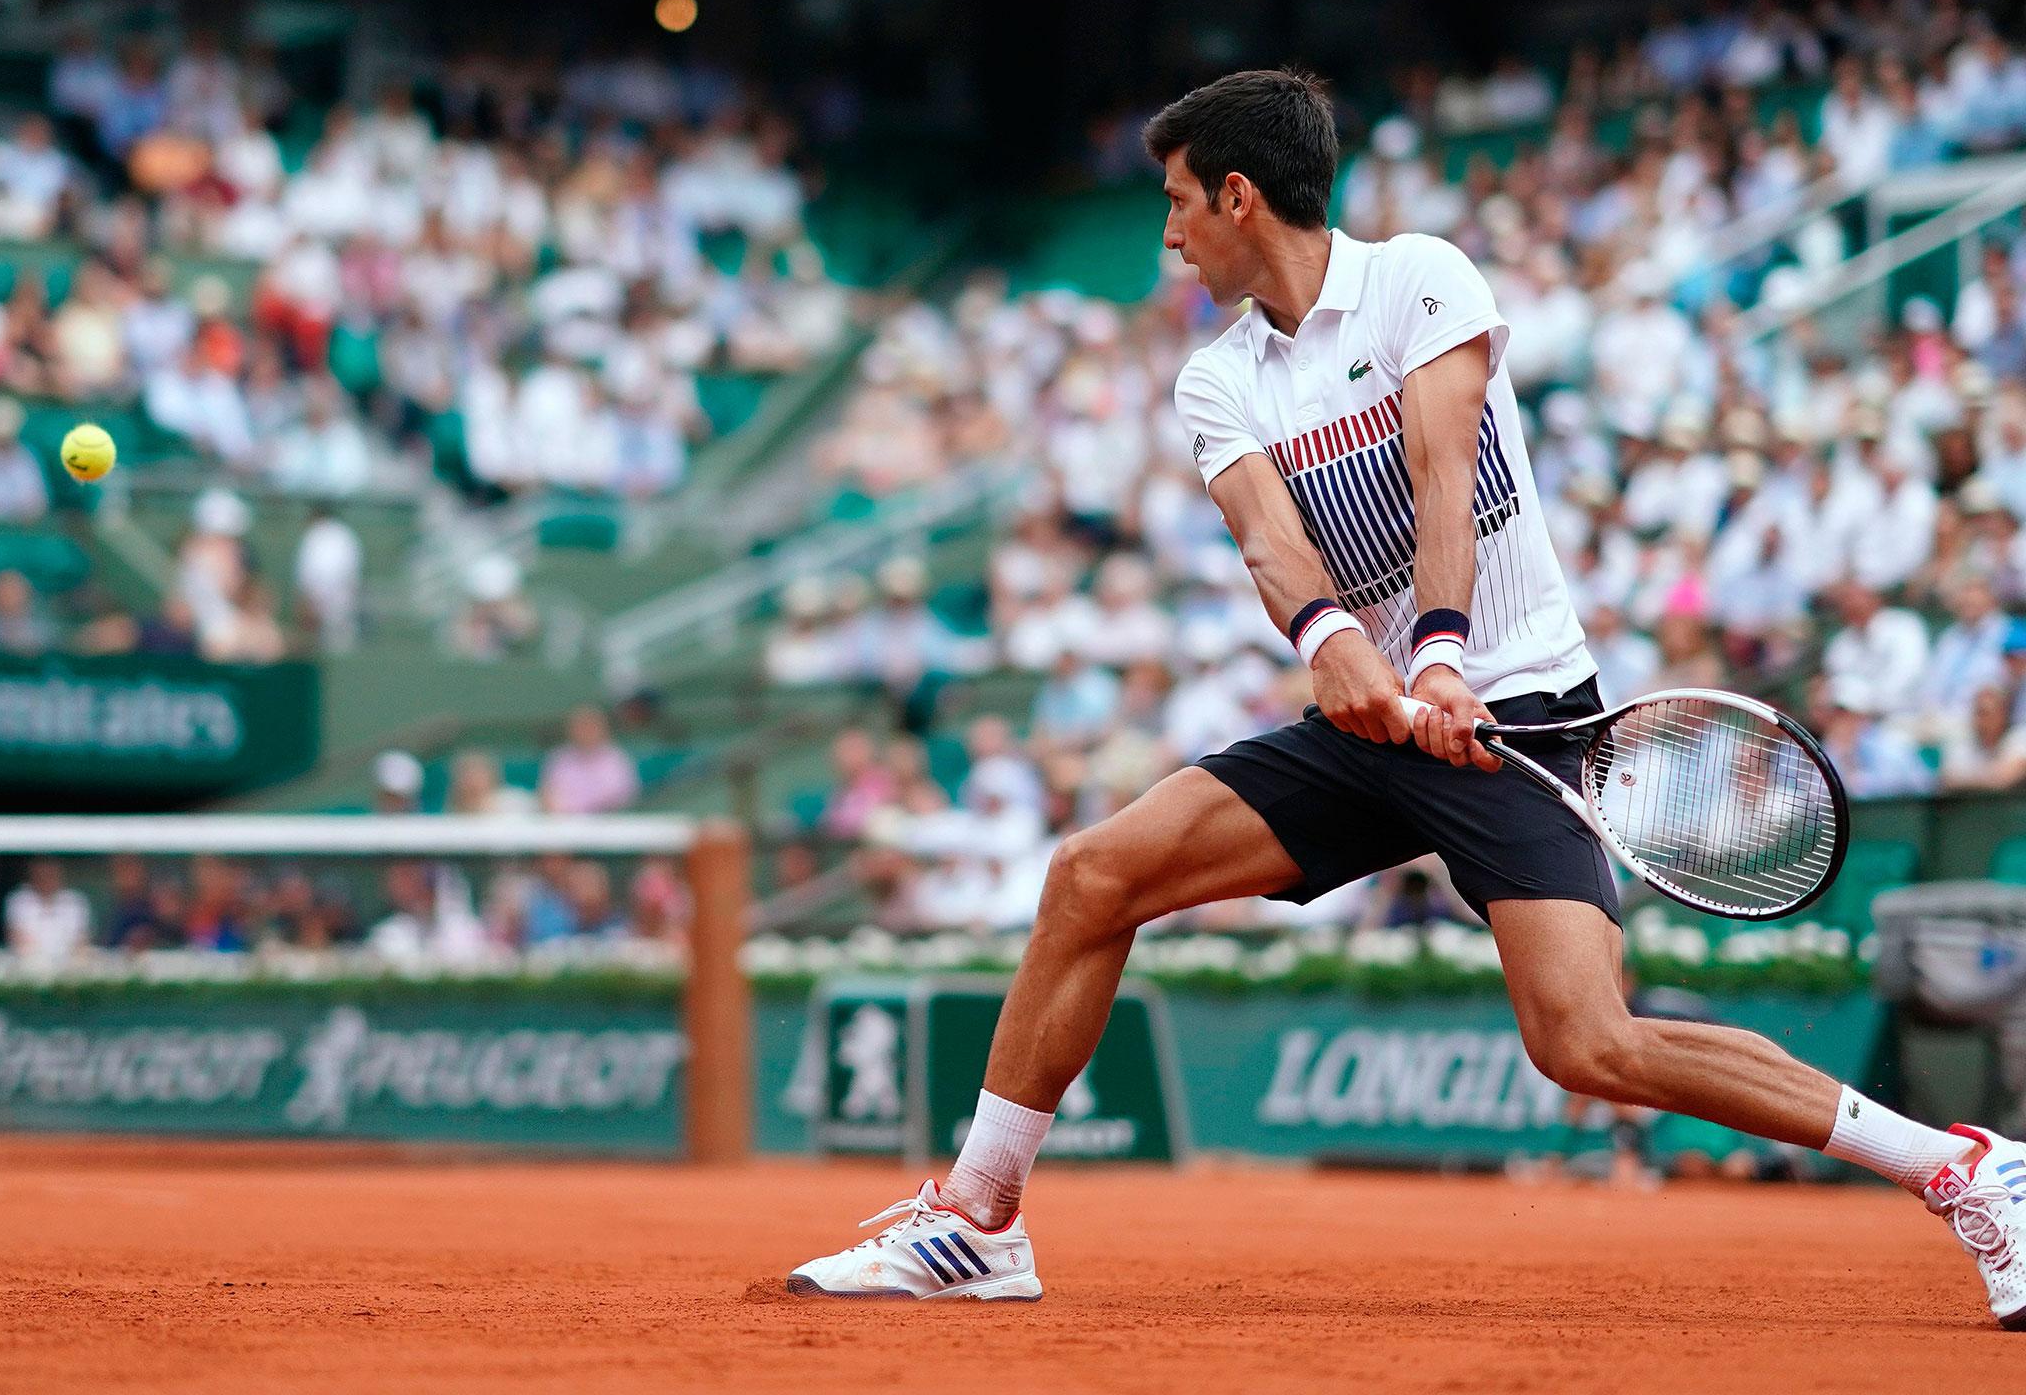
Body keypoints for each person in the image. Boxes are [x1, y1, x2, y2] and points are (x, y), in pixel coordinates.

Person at [784, 68, 2026, 1326]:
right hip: (1364, 734)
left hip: (1519, 718)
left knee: (1585, 1044)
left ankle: (1965, 1169)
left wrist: (1433, 653)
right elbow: (1273, 546)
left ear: (1236, 194)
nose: (1164, 236)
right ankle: (978, 1224)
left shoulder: (1420, 279)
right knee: (1091, 875)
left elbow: (1443, 474)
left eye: (1175, 204)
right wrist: (1343, 651)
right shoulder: (1217, 377)